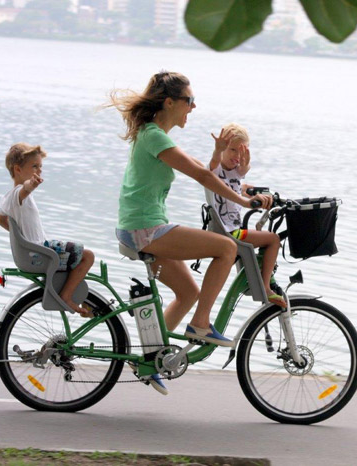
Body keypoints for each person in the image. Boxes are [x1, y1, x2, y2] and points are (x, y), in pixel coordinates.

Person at [108, 71, 270, 395]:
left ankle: (149, 360)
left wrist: (243, 184)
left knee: (188, 292)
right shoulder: (154, 136)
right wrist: (242, 201)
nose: (193, 107)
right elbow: (199, 175)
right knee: (226, 248)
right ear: (169, 102)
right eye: (189, 101)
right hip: (145, 227)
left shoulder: (155, 135)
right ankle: (200, 325)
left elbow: (205, 169)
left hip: (139, 226)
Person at [0, 143, 95, 317]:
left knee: (75, 257)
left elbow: (0, 219)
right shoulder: (19, 193)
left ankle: (82, 299)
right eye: (34, 166)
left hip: (34, 252)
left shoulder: (7, 197)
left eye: (40, 166)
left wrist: (20, 238)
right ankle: (67, 296)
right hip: (39, 254)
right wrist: (30, 185)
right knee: (87, 256)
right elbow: (24, 189)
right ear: (18, 169)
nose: (39, 171)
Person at [209, 123, 286, 308]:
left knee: (264, 238)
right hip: (230, 232)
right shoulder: (216, 169)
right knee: (274, 239)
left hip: (230, 230)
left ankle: (255, 280)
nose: (236, 156)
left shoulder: (233, 172)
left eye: (241, 151)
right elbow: (212, 166)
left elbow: (240, 181)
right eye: (232, 149)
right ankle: (266, 287)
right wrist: (217, 151)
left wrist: (254, 191)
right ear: (222, 150)